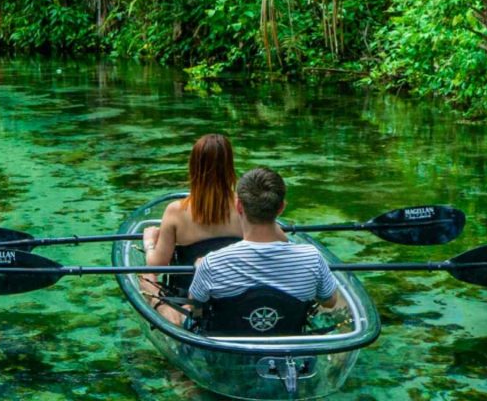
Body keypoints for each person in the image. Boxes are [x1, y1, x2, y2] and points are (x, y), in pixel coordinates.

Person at [187, 167, 338, 321]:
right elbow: (330, 301)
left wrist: (202, 269)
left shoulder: (212, 263)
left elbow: (195, 304)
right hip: (289, 341)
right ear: (281, 208)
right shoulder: (312, 258)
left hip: (228, 343)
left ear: (239, 206)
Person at [140, 134, 246, 323]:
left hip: (191, 303)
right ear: (230, 167)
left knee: (145, 276)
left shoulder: (176, 211)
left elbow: (156, 266)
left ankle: (171, 319)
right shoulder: (246, 207)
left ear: (194, 167)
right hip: (238, 295)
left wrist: (149, 243)